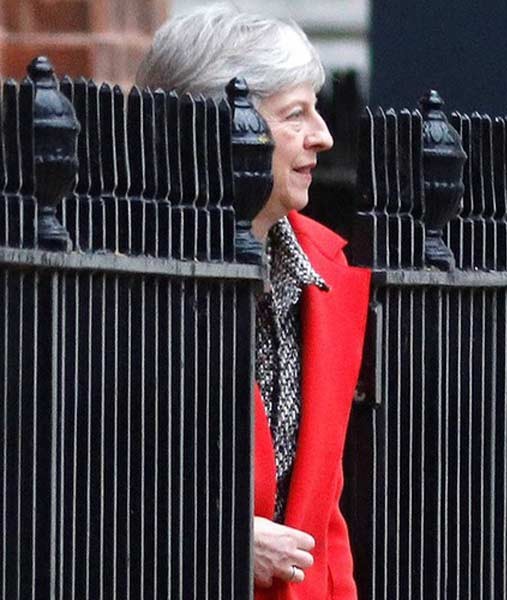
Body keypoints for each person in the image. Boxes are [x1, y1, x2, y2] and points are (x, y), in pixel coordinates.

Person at [136, 5, 371, 599]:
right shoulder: (126, 276)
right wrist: (219, 539)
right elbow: (75, 484)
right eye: (295, 114)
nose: (323, 135)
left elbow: (325, 520)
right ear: (219, 127)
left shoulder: (325, 269)